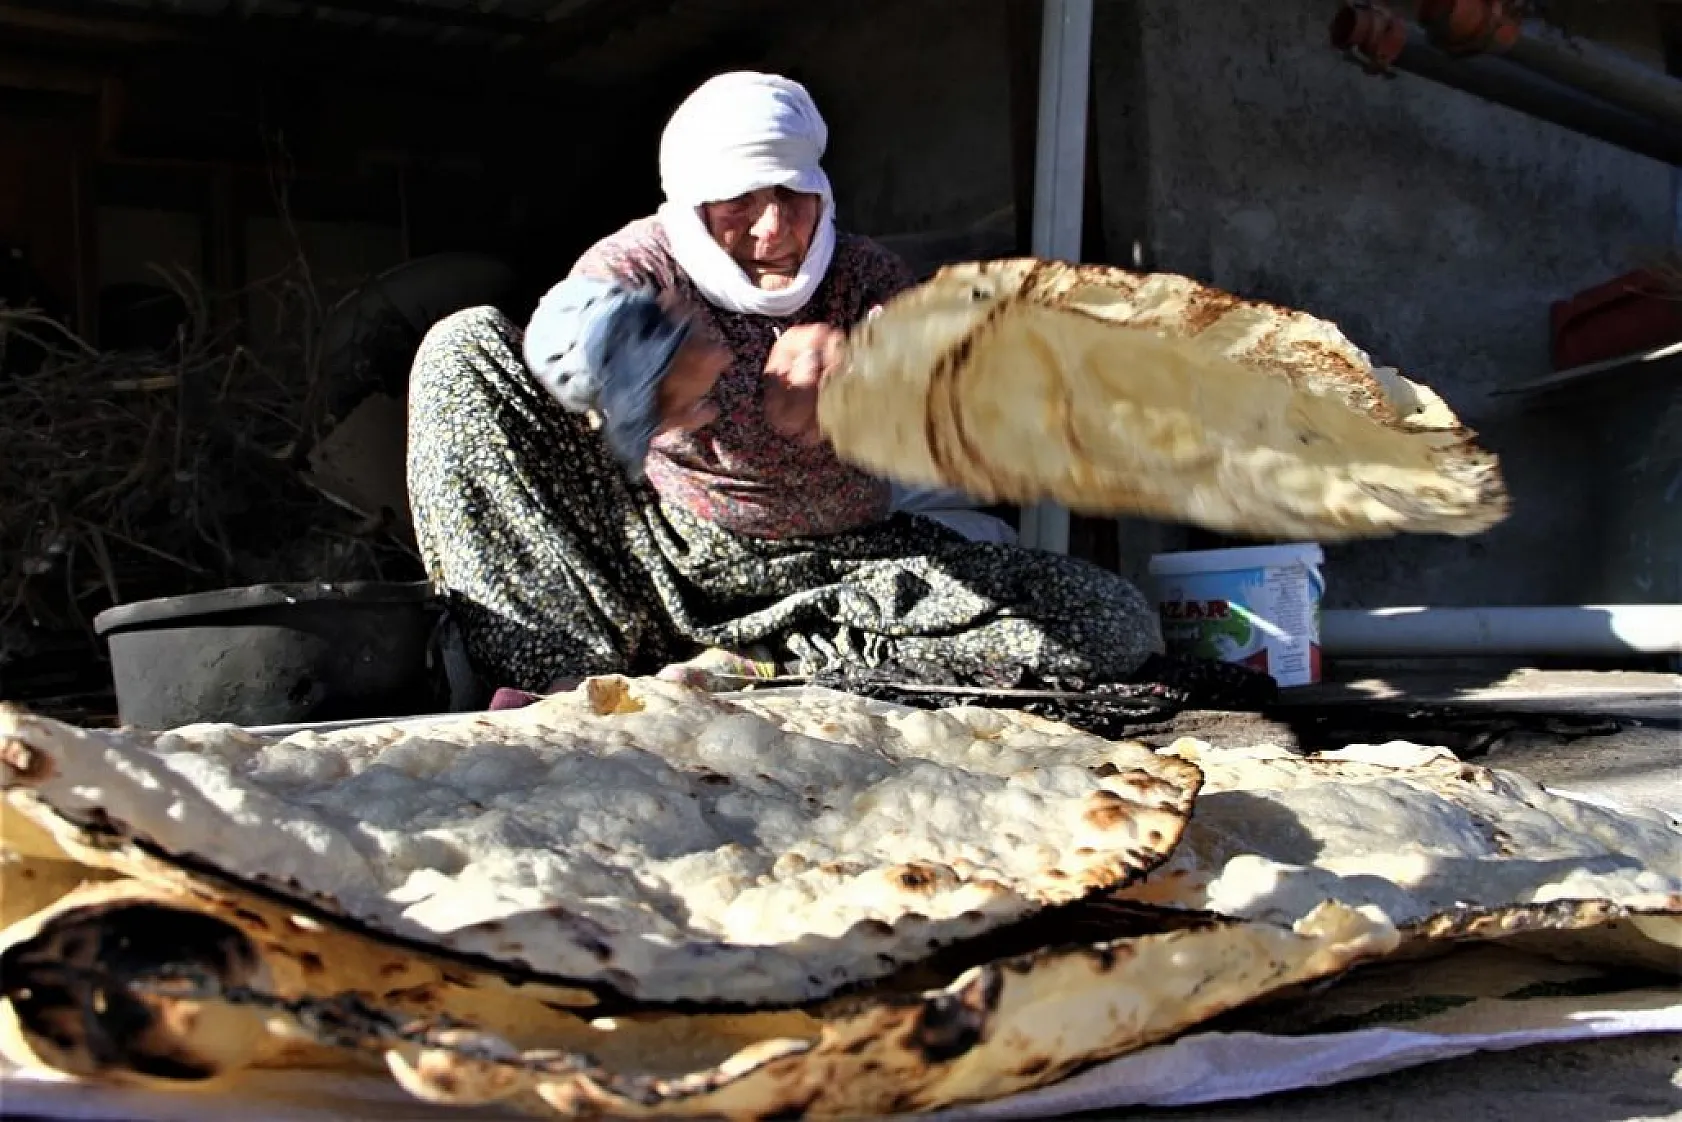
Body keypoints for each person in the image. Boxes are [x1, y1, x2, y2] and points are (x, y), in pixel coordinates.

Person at [405, 71, 1165, 699]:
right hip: (659, 559)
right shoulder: (645, 263)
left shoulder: (863, 276)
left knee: (1112, 622)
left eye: (792, 195)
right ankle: (567, 685)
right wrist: (641, 363)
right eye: (739, 202)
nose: (774, 231)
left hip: (834, 575)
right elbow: (563, 333)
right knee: (462, 346)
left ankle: (757, 671)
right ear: (694, 206)